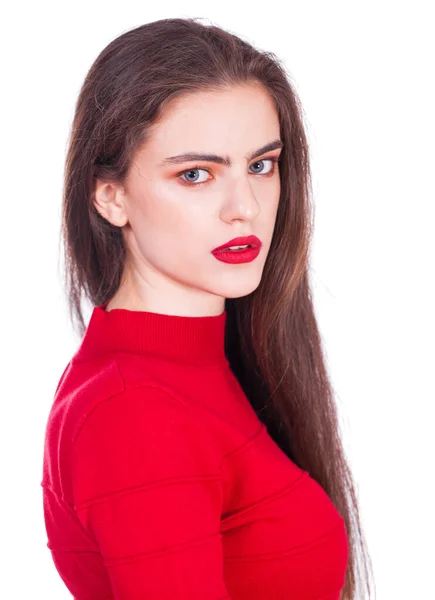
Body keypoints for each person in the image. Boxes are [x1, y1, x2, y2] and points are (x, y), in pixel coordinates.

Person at [40, 17, 375, 600]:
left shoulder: (201, 369)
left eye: (261, 165)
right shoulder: (134, 411)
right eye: (196, 174)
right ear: (110, 197)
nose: (243, 207)